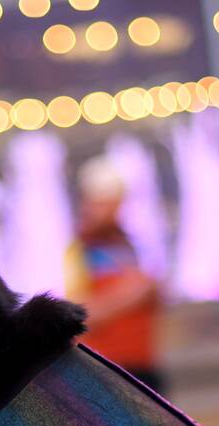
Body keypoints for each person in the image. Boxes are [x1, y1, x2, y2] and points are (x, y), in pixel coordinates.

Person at [64, 158, 163, 391]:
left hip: (141, 366)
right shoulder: (79, 251)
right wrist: (131, 294)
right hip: (106, 371)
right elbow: (78, 314)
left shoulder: (129, 246)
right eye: (101, 203)